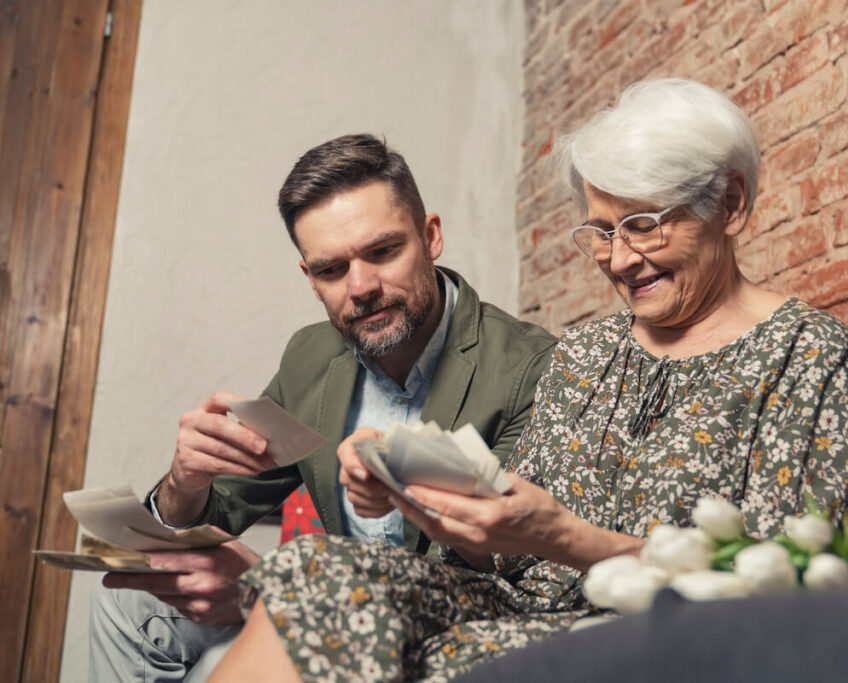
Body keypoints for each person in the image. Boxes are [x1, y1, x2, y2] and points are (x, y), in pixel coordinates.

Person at [208, 78, 848, 682]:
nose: (618, 259)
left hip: (653, 632)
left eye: (642, 225)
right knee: (309, 568)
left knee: (414, 653)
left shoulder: (806, 353)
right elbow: (504, 550)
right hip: (512, 603)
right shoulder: (586, 350)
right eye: (600, 230)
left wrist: (566, 538)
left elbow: (785, 587)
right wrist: (406, 490)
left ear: (730, 203)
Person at [87, 134, 556, 682]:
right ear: (310, 279)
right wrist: (184, 485)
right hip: (321, 600)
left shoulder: (529, 368)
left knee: (219, 663)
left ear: (431, 237)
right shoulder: (310, 355)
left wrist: (271, 588)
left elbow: (495, 570)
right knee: (126, 602)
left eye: (382, 252)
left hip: (445, 621)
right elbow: (225, 508)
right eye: (332, 270)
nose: (361, 287)